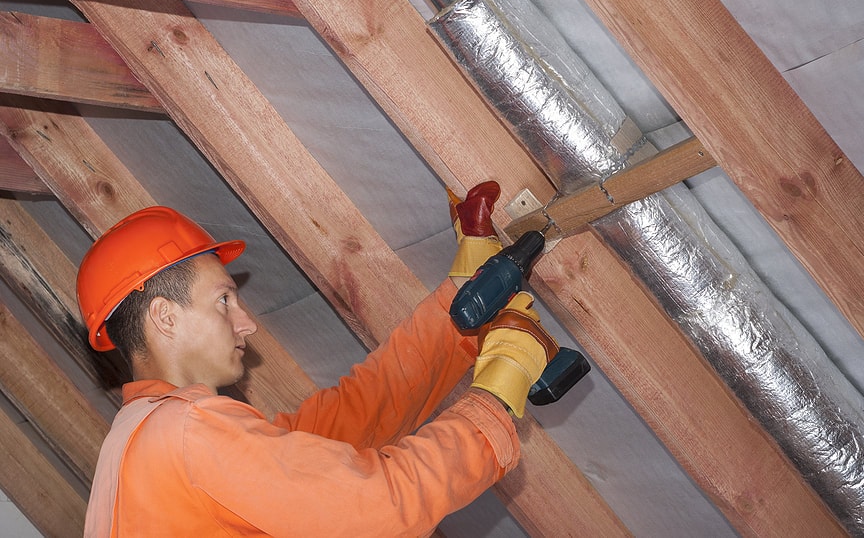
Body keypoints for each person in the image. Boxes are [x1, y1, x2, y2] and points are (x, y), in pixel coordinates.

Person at [77, 182, 560, 537]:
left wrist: (459, 310)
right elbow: (376, 506)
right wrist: (497, 394)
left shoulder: (142, 442)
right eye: (224, 300)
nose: (247, 323)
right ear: (163, 317)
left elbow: (345, 424)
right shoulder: (184, 435)